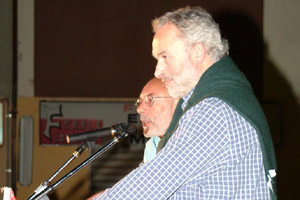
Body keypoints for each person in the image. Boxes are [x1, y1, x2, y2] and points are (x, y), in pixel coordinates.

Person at [93, 6, 277, 199]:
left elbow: (152, 184)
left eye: (164, 57)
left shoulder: (213, 112)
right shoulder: (222, 99)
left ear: (198, 52)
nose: (158, 71)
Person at [87, 78, 177, 199]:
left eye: (150, 100)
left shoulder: (188, 140)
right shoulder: (152, 145)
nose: (139, 109)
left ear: (177, 102)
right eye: (139, 102)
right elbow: (142, 187)